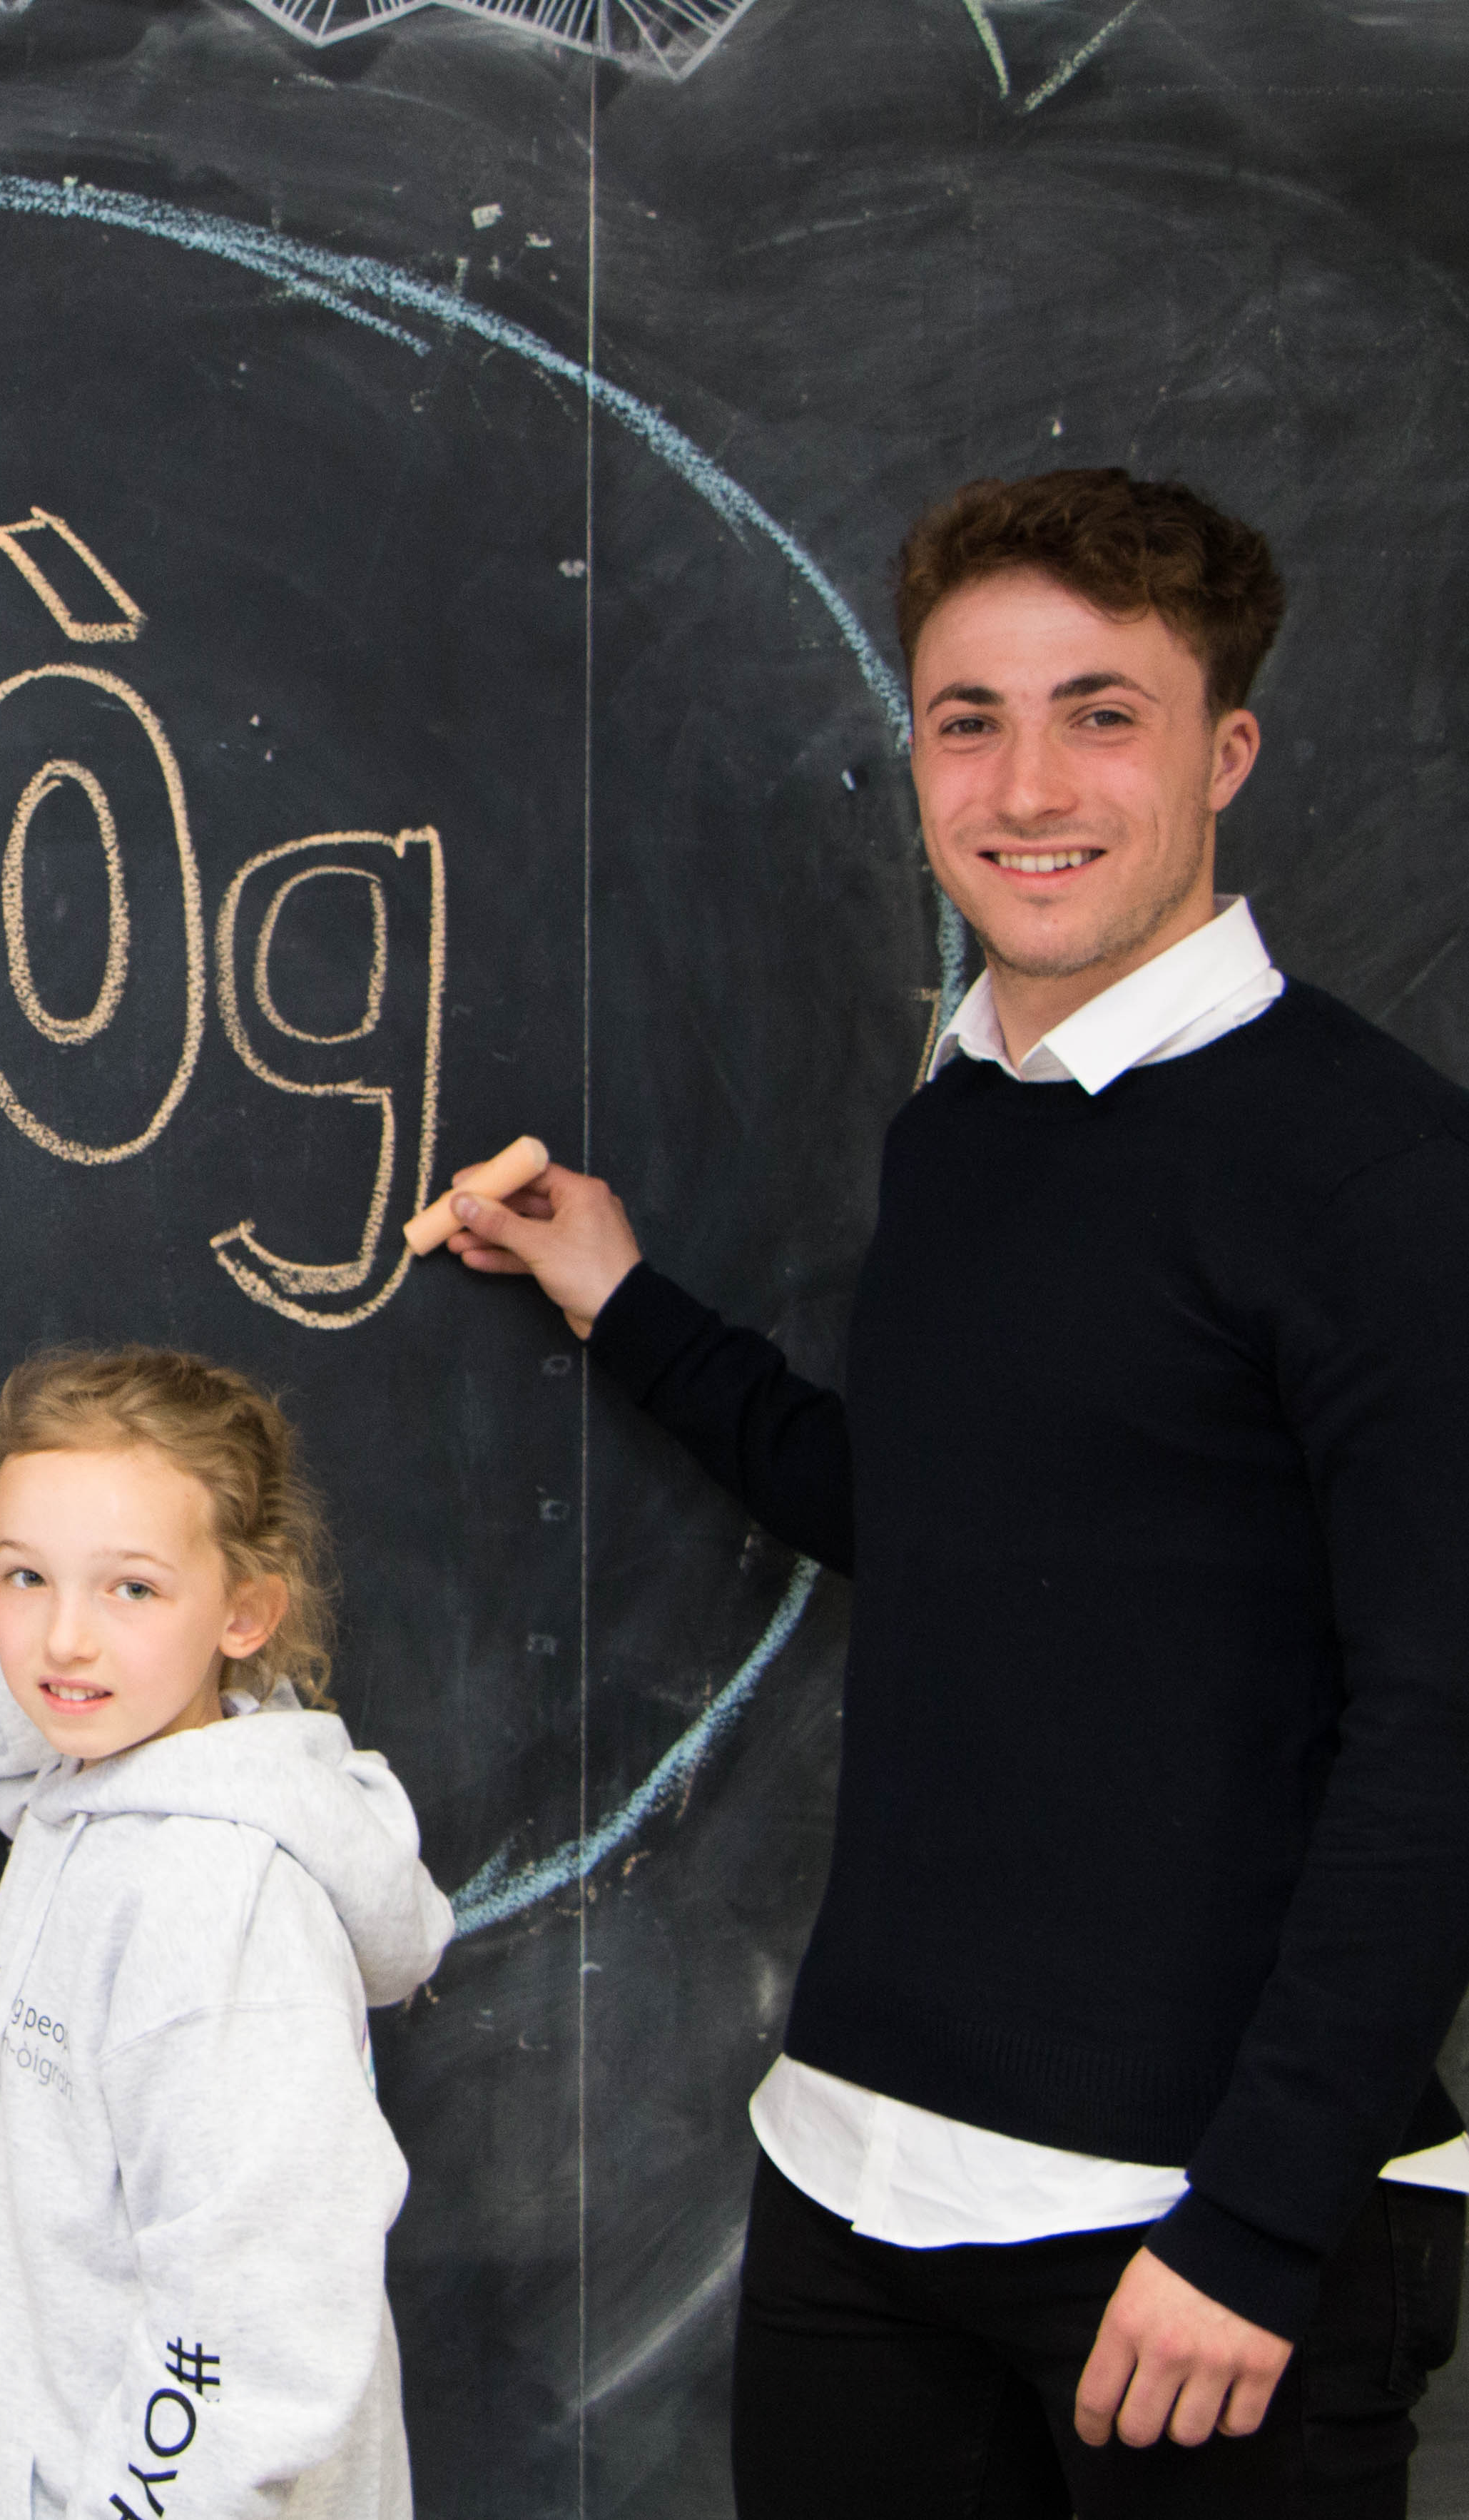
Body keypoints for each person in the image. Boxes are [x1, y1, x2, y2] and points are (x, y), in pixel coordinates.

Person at [440, 469, 1469, 2516]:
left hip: (1190, 2231)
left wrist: (1257, 2222)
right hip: (858, 2177)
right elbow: (934, 1512)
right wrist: (620, 1297)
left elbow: (1443, 1722)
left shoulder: (1373, 1173)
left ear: (1224, 752)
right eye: (966, 718)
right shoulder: (974, 1115)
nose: (1024, 784)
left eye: (1103, 712)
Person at [0, 1347, 453, 2520]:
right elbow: (24, 1704)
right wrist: (71, 1575)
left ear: (247, 1612)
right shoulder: (86, 1794)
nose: (62, 1641)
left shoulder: (213, 1894)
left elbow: (258, 2330)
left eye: (133, 1590)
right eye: (22, 1579)